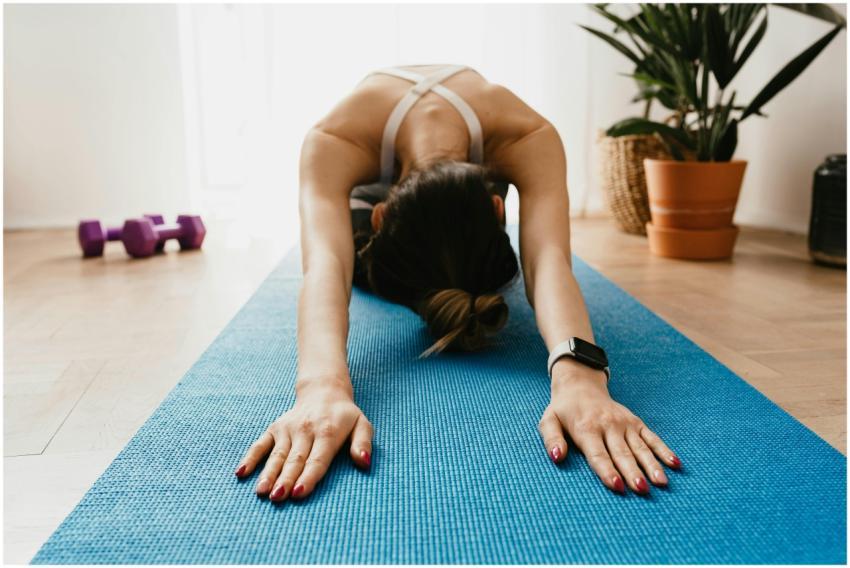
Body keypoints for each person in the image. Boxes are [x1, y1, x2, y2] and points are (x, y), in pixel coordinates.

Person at [234, 64, 681, 502]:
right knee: (352, 256)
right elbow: (326, 266)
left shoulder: (527, 134)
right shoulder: (335, 139)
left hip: (445, 185)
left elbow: (547, 260)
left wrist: (580, 377)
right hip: (366, 190)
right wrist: (320, 387)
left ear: (497, 210)